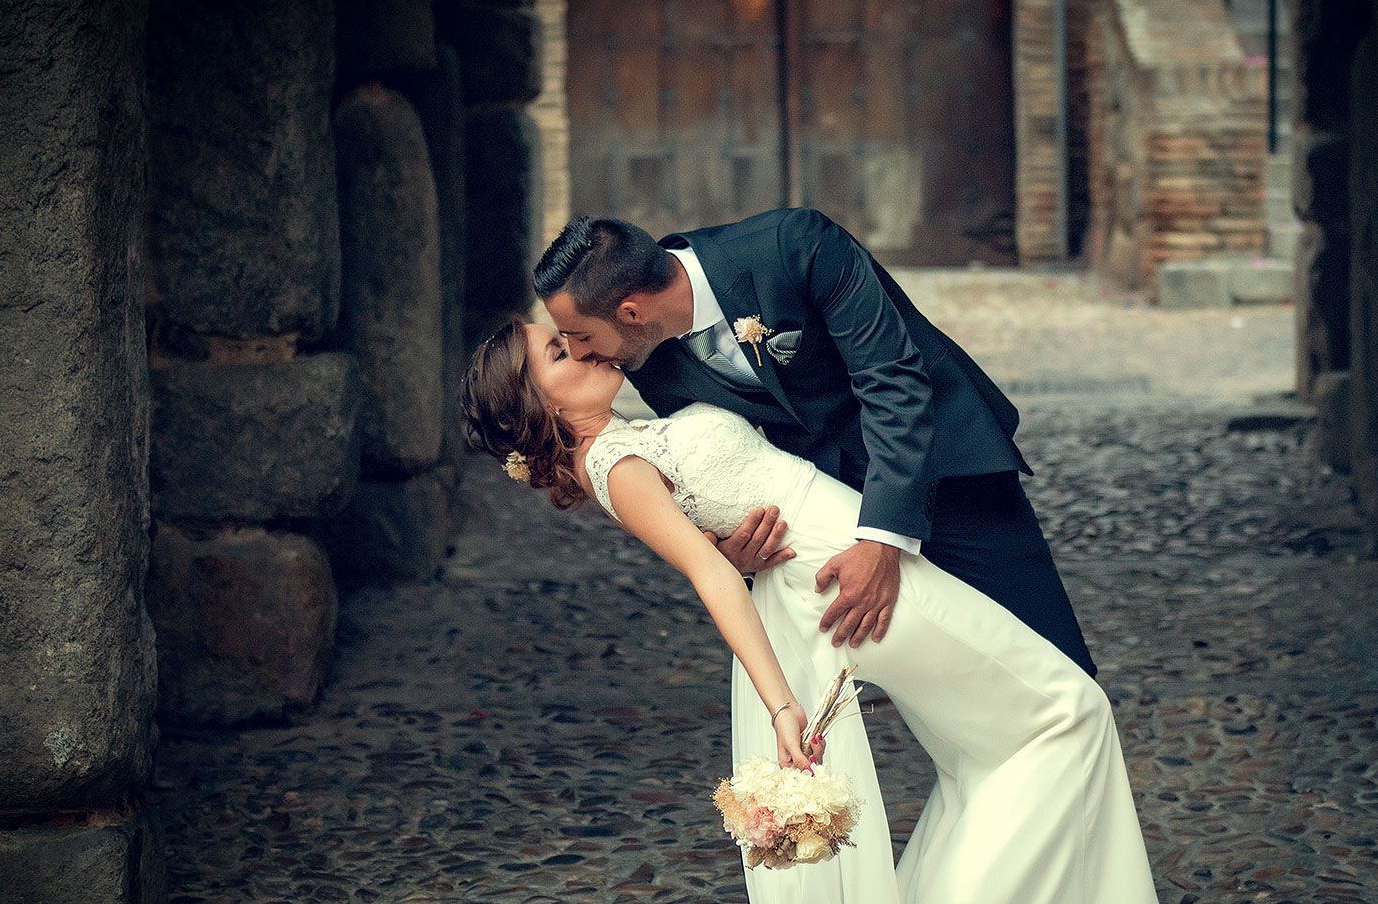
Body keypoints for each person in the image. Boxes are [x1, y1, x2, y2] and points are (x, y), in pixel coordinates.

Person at [460, 319, 1160, 902]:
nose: (579, 345)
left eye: (566, 334)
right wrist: (781, 705)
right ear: (540, 404)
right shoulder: (615, 463)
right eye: (557, 352)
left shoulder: (623, 440)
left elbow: (716, 541)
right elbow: (711, 576)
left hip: (840, 560)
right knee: (1068, 713)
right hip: (844, 580)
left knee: (985, 755)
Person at [532, 208, 1097, 679]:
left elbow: (894, 383)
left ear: (630, 310)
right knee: (967, 699)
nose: (581, 354)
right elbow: (712, 456)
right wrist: (733, 555)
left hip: (944, 473)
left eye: (580, 336)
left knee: (1059, 670)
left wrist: (881, 540)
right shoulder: (643, 355)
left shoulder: (794, 246)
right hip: (831, 527)